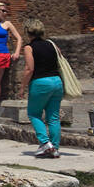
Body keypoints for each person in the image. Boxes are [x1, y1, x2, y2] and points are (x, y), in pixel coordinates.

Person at [21, 19, 63, 158]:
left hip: (41, 82)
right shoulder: (52, 44)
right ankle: (55, 148)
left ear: (27, 32)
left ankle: (45, 143)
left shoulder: (29, 48)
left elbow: (29, 69)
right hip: (57, 82)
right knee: (54, 117)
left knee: (34, 114)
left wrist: (22, 87)